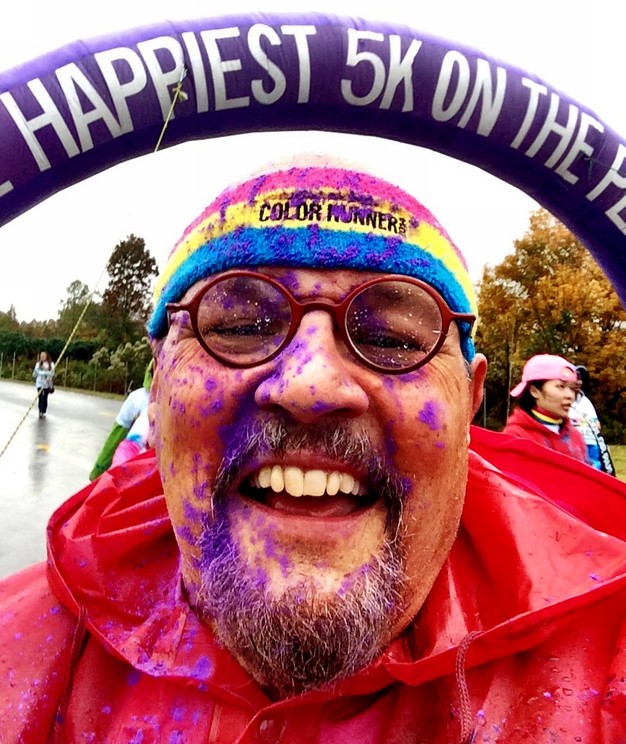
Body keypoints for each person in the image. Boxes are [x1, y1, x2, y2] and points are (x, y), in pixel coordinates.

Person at [2, 158, 626, 743]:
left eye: (391, 338)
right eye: (240, 327)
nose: (311, 385)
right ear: (158, 387)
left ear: (469, 401)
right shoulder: (17, 643)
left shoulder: (608, 668)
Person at [502, 353, 589, 464]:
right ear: (534, 391)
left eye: (572, 388)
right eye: (560, 386)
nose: (570, 395)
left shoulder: (575, 436)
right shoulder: (516, 436)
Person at [88, 360, 153, 480]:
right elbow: (116, 436)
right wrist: (99, 470)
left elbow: (116, 438)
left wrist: (98, 472)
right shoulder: (138, 399)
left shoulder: (137, 399)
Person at [569, 364, 617, 475]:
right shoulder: (562, 400)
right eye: (575, 379)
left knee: (595, 473)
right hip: (573, 445)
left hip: (591, 443)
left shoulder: (585, 401)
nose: (578, 382)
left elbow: (596, 424)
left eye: (580, 379)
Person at [32, 350, 54, 419]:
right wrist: (45, 372)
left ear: (46, 356)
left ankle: (44, 411)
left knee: (45, 398)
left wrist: (51, 385)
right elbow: (36, 373)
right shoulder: (38, 364)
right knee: (40, 397)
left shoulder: (51, 364)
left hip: (47, 384)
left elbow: (52, 373)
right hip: (39, 383)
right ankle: (40, 411)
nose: (42, 357)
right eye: (41, 356)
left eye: (43, 356)